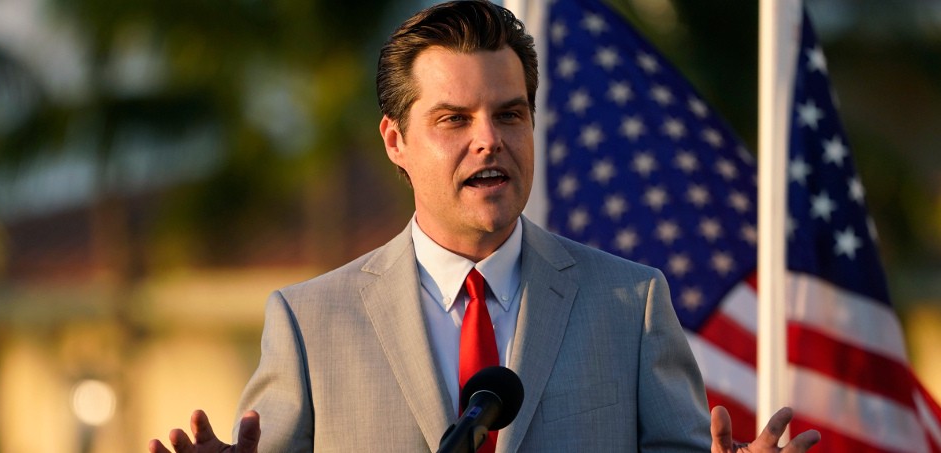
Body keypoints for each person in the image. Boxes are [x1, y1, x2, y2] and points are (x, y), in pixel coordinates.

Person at [149, 1, 821, 452]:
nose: (489, 140)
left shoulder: (631, 303)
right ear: (395, 140)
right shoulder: (309, 322)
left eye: (509, 114)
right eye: (454, 119)